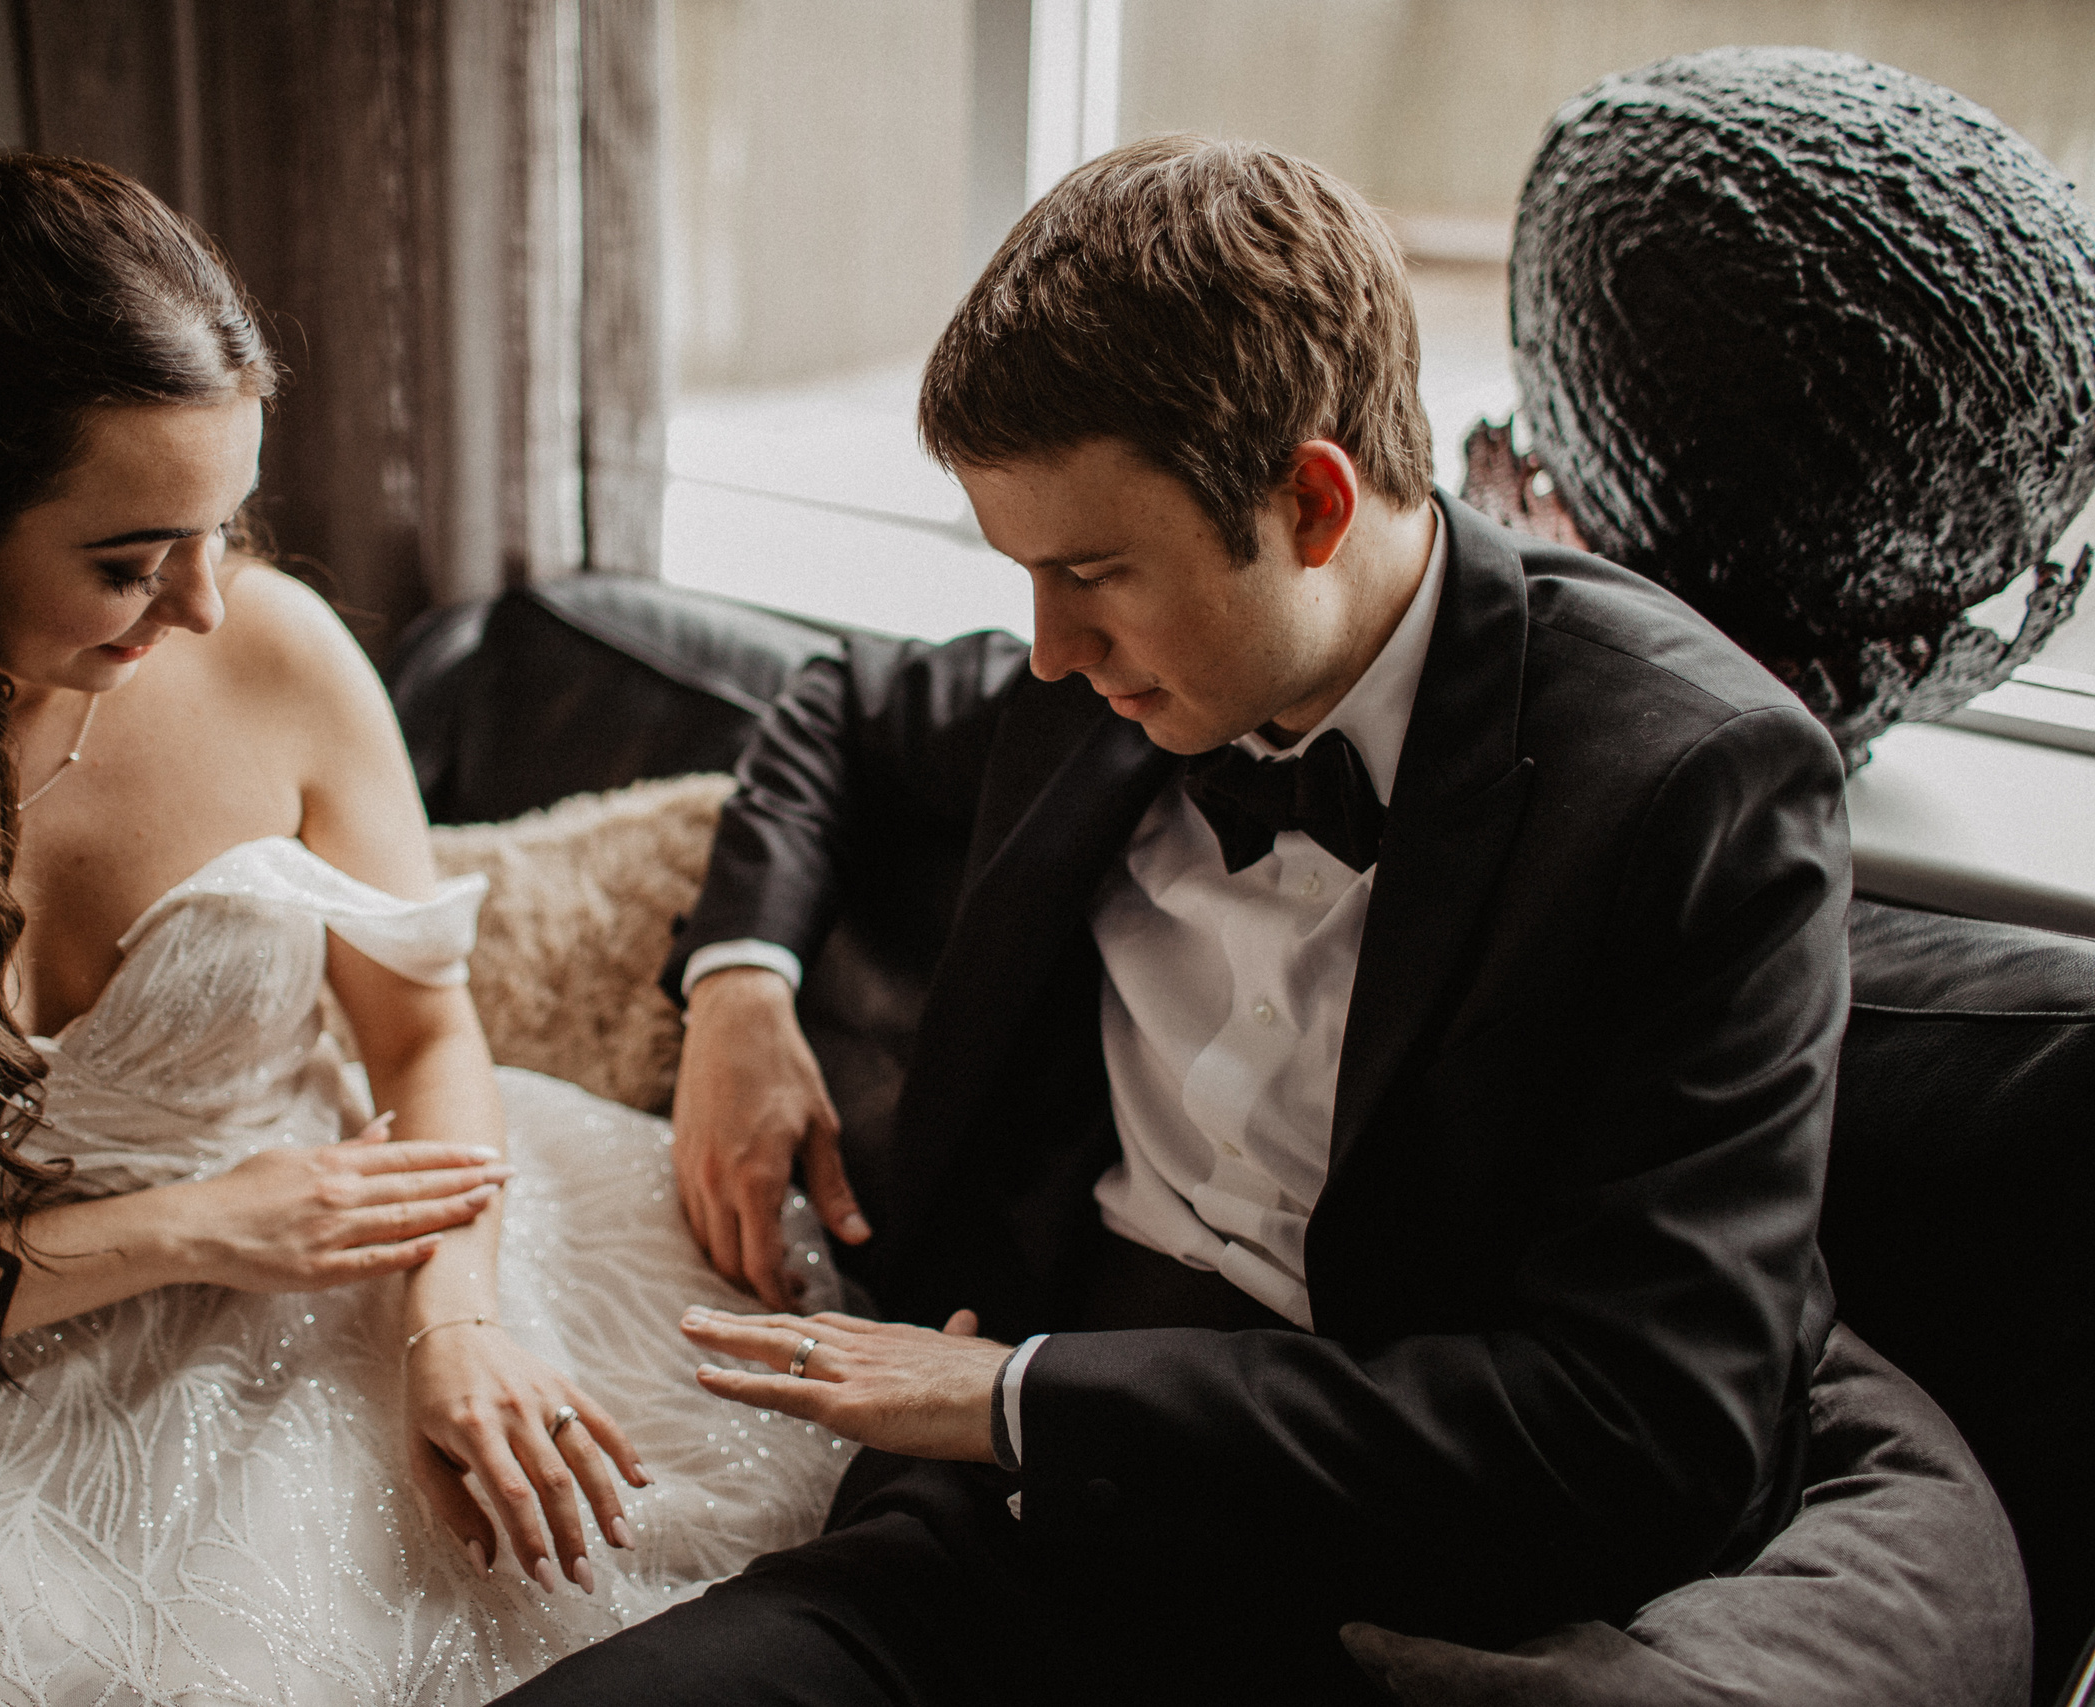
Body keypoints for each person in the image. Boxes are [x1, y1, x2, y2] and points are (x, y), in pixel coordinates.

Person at [501, 136, 1849, 1702]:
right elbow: (839, 712)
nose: (1052, 653)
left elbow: (1647, 1427)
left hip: (1358, 1576)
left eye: (1090, 576)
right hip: (985, 1531)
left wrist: (1018, 1396)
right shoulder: (1119, 675)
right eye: (1024, 578)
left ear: (1313, 500)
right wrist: (739, 990)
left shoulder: (1697, 790)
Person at [0, 156, 848, 1705]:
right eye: (128, 560)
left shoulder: (282, 655)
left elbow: (424, 1034)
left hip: (344, 1291)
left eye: (224, 527)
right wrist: (199, 1225)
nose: (210, 606)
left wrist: (454, 1321)